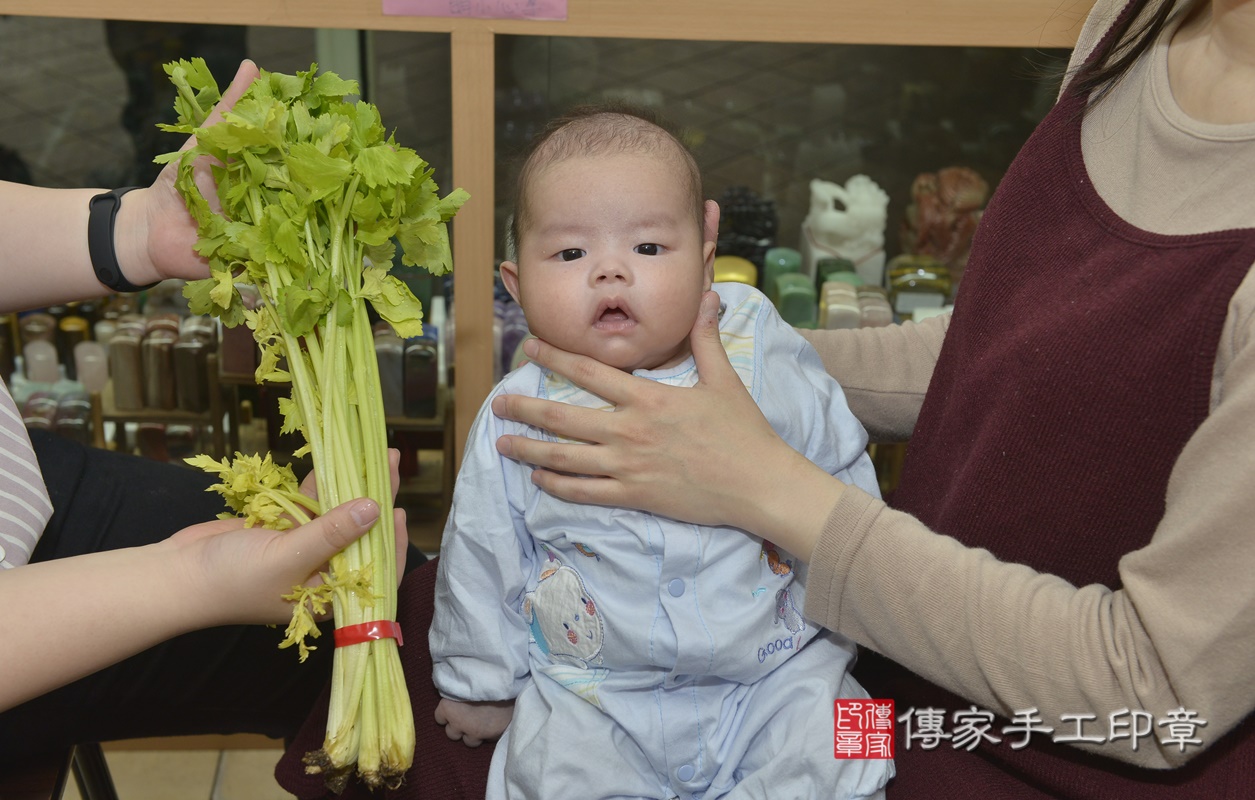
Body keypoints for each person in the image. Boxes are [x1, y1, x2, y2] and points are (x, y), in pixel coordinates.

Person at [480, 0, 1255, 796]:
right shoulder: (1132, 25)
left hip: (1029, 745)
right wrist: (716, 359)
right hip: (890, 653)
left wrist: (765, 486)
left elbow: (1156, 694)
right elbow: (1016, 343)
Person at [427, 107, 893, 800]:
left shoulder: (762, 352)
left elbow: (839, 456)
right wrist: (478, 680)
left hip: (779, 667)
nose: (610, 271)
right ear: (515, 284)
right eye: (569, 254)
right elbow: (481, 547)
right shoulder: (521, 412)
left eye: (647, 249)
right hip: (595, 691)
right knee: (544, 774)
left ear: (704, 258)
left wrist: (871, 594)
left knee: (853, 740)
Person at [0, 59, 416, 759]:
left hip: (18, 483)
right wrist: (190, 579)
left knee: (417, 601)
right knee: (369, 643)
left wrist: (134, 231)